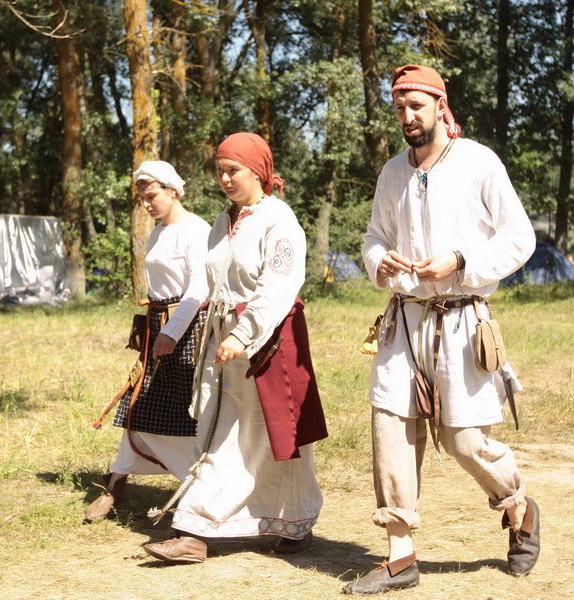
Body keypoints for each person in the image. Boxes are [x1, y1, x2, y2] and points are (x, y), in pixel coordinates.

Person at [344, 64, 538, 595]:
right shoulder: (392, 172)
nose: (407, 116)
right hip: (403, 321)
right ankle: (400, 555)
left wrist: (461, 259)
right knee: (391, 430)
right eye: (399, 108)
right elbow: (374, 236)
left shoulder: (478, 162)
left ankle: (517, 505)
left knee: (465, 441)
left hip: (462, 320)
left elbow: (519, 237)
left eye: (416, 106)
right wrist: (380, 259)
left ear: (439, 106)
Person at [142, 132, 328, 564]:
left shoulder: (279, 220)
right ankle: (198, 528)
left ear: (258, 172)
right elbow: (205, 282)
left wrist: (244, 334)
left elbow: (279, 285)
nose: (225, 179)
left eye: (234, 171)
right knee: (220, 431)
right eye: (220, 171)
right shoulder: (222, 222)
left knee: (275, 437)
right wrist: (187, 331)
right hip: (220, 340)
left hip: (268, 344)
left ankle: (292, 520)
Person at [85, 161, 211, 521]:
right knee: (138, 402)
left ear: (173, 191)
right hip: (159, 324)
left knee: (180, 411)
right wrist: (155, 327)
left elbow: (199, 289)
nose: (146, 204)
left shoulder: (196, 230)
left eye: (152, 196)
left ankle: (199, 488)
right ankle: (116, 484)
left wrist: (172, 332)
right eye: (142, 198)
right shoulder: (157, 233)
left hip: (187, 328)